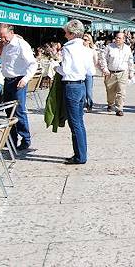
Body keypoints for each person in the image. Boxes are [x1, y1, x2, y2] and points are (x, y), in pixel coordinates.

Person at [56, 20, 93, 165]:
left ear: (72, 33)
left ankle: (79, 156)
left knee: (74, 123)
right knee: (80, 122)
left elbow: (64, 69)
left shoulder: (68, 48)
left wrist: (55, 68)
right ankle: (82, 153)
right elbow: (90, 71)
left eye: (66, 32)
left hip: (71, 86)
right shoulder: (85, 49)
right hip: (81, 85)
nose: (64, 35)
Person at [0, 23, 37, 151]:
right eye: (0, 37)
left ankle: (25, 139)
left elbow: (33, 64)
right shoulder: (5, 45)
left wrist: (26, 79)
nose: (2, 39)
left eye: (4, 36)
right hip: (7, 80)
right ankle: (12, 139)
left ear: (11, 32)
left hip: (19, 80)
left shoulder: (21, 44)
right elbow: (3, 60)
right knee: (8, 111)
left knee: (19, 111)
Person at [99, 32, 134, 117]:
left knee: (121, 91)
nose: (117, 39)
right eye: (116, 38)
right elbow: (103, 58)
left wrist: (131, 71)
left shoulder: (127, 48)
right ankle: (110, 103)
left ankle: (119, 108)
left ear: (124, 39)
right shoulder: (109, 47)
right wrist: (105, 69)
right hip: (111, 73)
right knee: (110, 91)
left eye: (119, 38)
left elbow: (130, 61)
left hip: (123, 72)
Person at [82, 34, 99, 112]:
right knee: (82, 91)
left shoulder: (92, 50)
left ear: (89, 41)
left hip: (89, 72)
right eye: (83, 39)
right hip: (80, 72)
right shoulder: (79, 50)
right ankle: (82, 105)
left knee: (88, 91)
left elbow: (95, 61)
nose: (84, 41)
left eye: (85, 40)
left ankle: (89, 105)